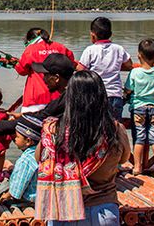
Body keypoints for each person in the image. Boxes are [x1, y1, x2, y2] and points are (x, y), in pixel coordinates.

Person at [35, 70, 131, 225]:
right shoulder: (114, 130)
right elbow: (125, 157)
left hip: (63, 210)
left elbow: (39, 157)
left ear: (70, 98)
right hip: (103, 210)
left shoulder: (53, 130)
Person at [0, 53, 76, 137]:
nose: (43, 79)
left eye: (45, 75)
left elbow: (37, 121)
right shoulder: (74, 92)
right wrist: (23, 116)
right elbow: (43, 115)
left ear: (56, 78)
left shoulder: (67, 99)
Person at [124, 38, 154, 177]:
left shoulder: (135, 72)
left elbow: (128, 89)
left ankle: (137, 167)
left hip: (138, 108)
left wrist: (125, 96)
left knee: (139, 139)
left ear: (139, 55)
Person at [79, 17, 133, 120]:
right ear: (111, 34)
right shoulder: (118, 48)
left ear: (93, 35)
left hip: (95, 95)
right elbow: (129, 65)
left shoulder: (90, 50)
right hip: (115, 95)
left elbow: (81, 69)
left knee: (96, 129)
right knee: (115, 128)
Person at [16, 27, 76, 113]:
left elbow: (21, 71)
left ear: (30, 39)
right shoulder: (60, 47)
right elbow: (71, 64)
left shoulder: (30, 49)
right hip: (60, 99)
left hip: (36, 99)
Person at [0, 114, 42, 207]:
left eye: (17, 137)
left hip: (28, 199)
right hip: (38, 194)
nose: (14, 139)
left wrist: (7, 195)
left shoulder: (25, 160)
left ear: (28, 141)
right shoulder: (38, 153)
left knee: (0, 194)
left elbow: (19, 185)